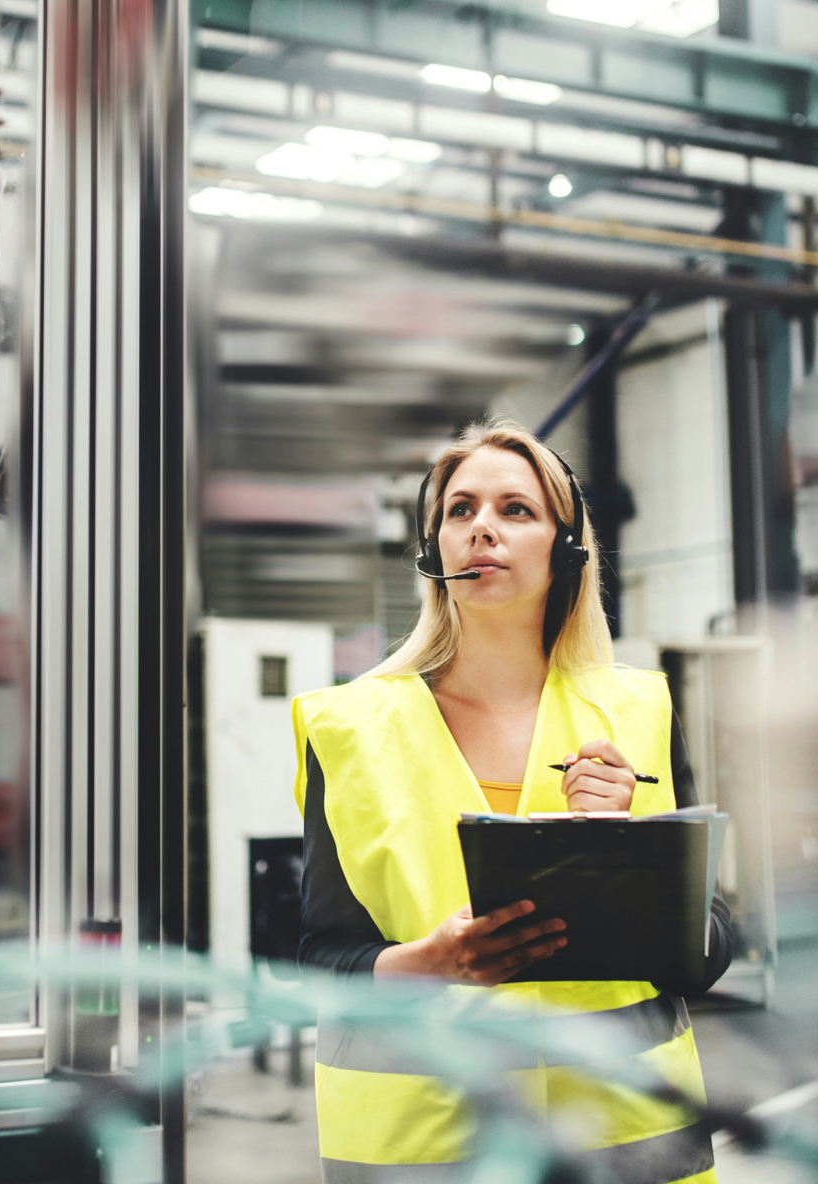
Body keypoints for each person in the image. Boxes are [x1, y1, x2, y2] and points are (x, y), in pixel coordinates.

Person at [292, 419, 732, 1184]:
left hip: (625, 1140)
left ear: (565, 551)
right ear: (433, 551)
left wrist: (636, 854)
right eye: (459, 511)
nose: (482, 528)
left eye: (515, 510)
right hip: (424, 1148)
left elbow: (712, 946)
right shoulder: (350, 728)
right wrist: (425, 965)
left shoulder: (639, 712)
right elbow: (319, 955)